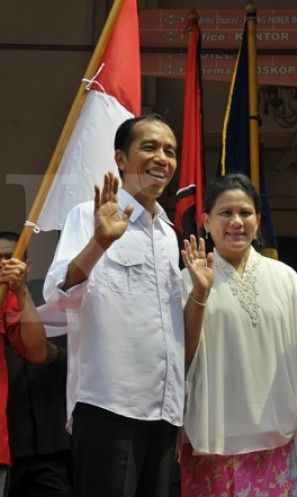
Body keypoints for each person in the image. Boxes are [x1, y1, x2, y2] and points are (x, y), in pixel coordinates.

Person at [44, 114, 184, 497]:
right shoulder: (87, 216)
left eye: (170, 151)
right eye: (150, 147)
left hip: (164, 408)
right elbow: (58, 295)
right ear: (121, 159)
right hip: (110, 404)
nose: (162, 158)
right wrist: (100, 243)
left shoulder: (170, 234)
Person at [178, 173, 297, 497]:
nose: (236, 222)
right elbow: (177, 360)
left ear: (258, 219)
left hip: (275, 445)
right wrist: (199, 291)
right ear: (206, 220)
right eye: (226, 213)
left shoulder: (285, 277)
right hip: (208, 448)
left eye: (245, 213)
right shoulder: (184, 281)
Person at [0, 231, 71, 497]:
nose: (6, 264)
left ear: (27, 264)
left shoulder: (48, 298)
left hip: (50, 440)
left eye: (12, 257)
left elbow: (49, 353)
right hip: (12, 440)